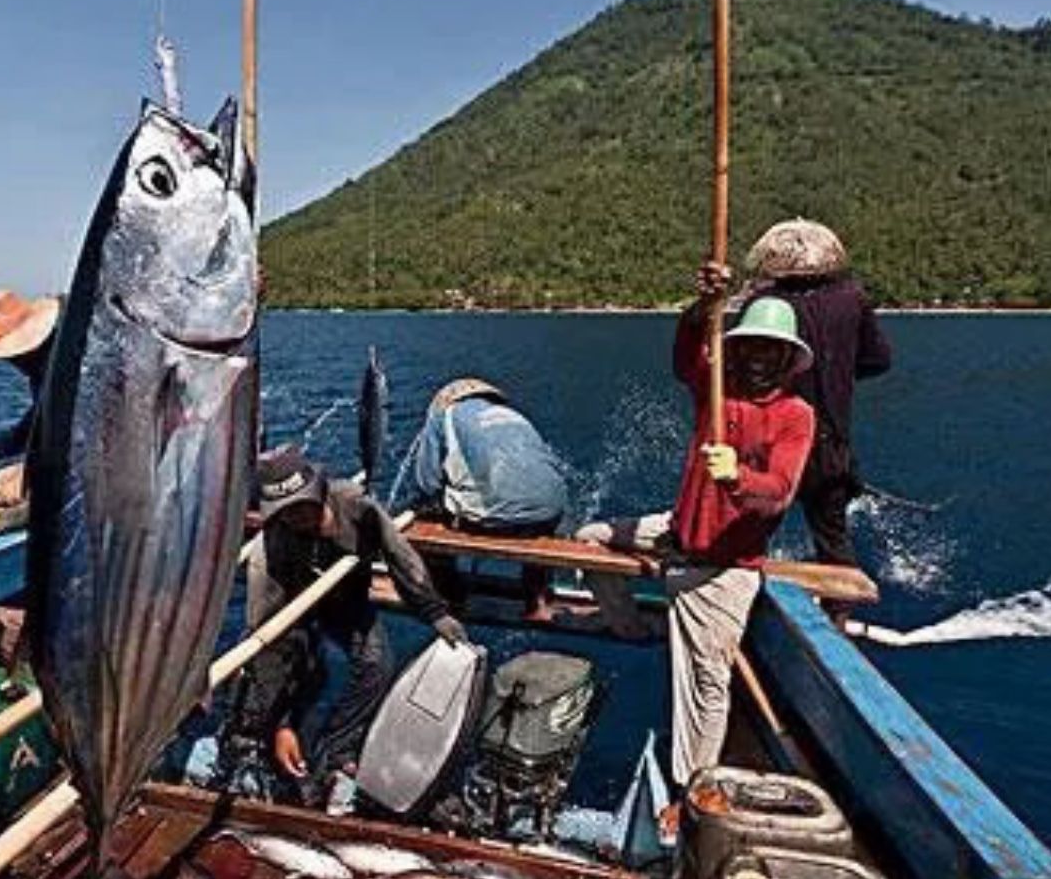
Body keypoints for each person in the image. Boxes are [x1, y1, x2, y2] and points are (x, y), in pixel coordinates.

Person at [578, 284, 813, 806]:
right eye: (750, 346)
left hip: (727, 565)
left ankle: (692, 795)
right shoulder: (715, 387)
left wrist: (738, 478)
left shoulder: (796, 415)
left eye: (769, 350)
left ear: (787, 359)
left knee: (706, 689)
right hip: (678, 531)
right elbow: (687, 350)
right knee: (588, 541)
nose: (757, 359)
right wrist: (704, 305)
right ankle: (632, 625)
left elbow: (778, 492)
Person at [228, 445, 467, 803]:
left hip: (347, 598)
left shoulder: (356, 506)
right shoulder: (273, 547)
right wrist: (280, 723)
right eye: (287, 512)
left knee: (377, 665)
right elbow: (268, 630)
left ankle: (337, 750)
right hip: (296, 608)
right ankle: (279, 748)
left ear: (320, 491)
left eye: (304, 506)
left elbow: (400, 556)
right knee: (306, 676)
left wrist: (434, 612)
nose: (298, 517)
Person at [743, 219, 891, 576]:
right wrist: (837, 374)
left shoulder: (766, 303)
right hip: (831, 444)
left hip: (776, 439)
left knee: (747, 533)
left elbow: (742, 366)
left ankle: (740, 609)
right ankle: (837, 618)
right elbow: (878, 361)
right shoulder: (852, 299)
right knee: (833, 539)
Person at [402, 378, 569, 622]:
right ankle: (538, 602)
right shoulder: (516, 417)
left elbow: (427, 483)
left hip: (498, 516)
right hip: (550, 511)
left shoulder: (443, 417)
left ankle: (450, 599)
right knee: (535, 509)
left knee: (426, 524)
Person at [0, 289, 59, 519]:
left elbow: (46, 418)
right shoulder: (46, 362)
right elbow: (43, 417)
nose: (9, 360)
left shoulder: (56, 367)